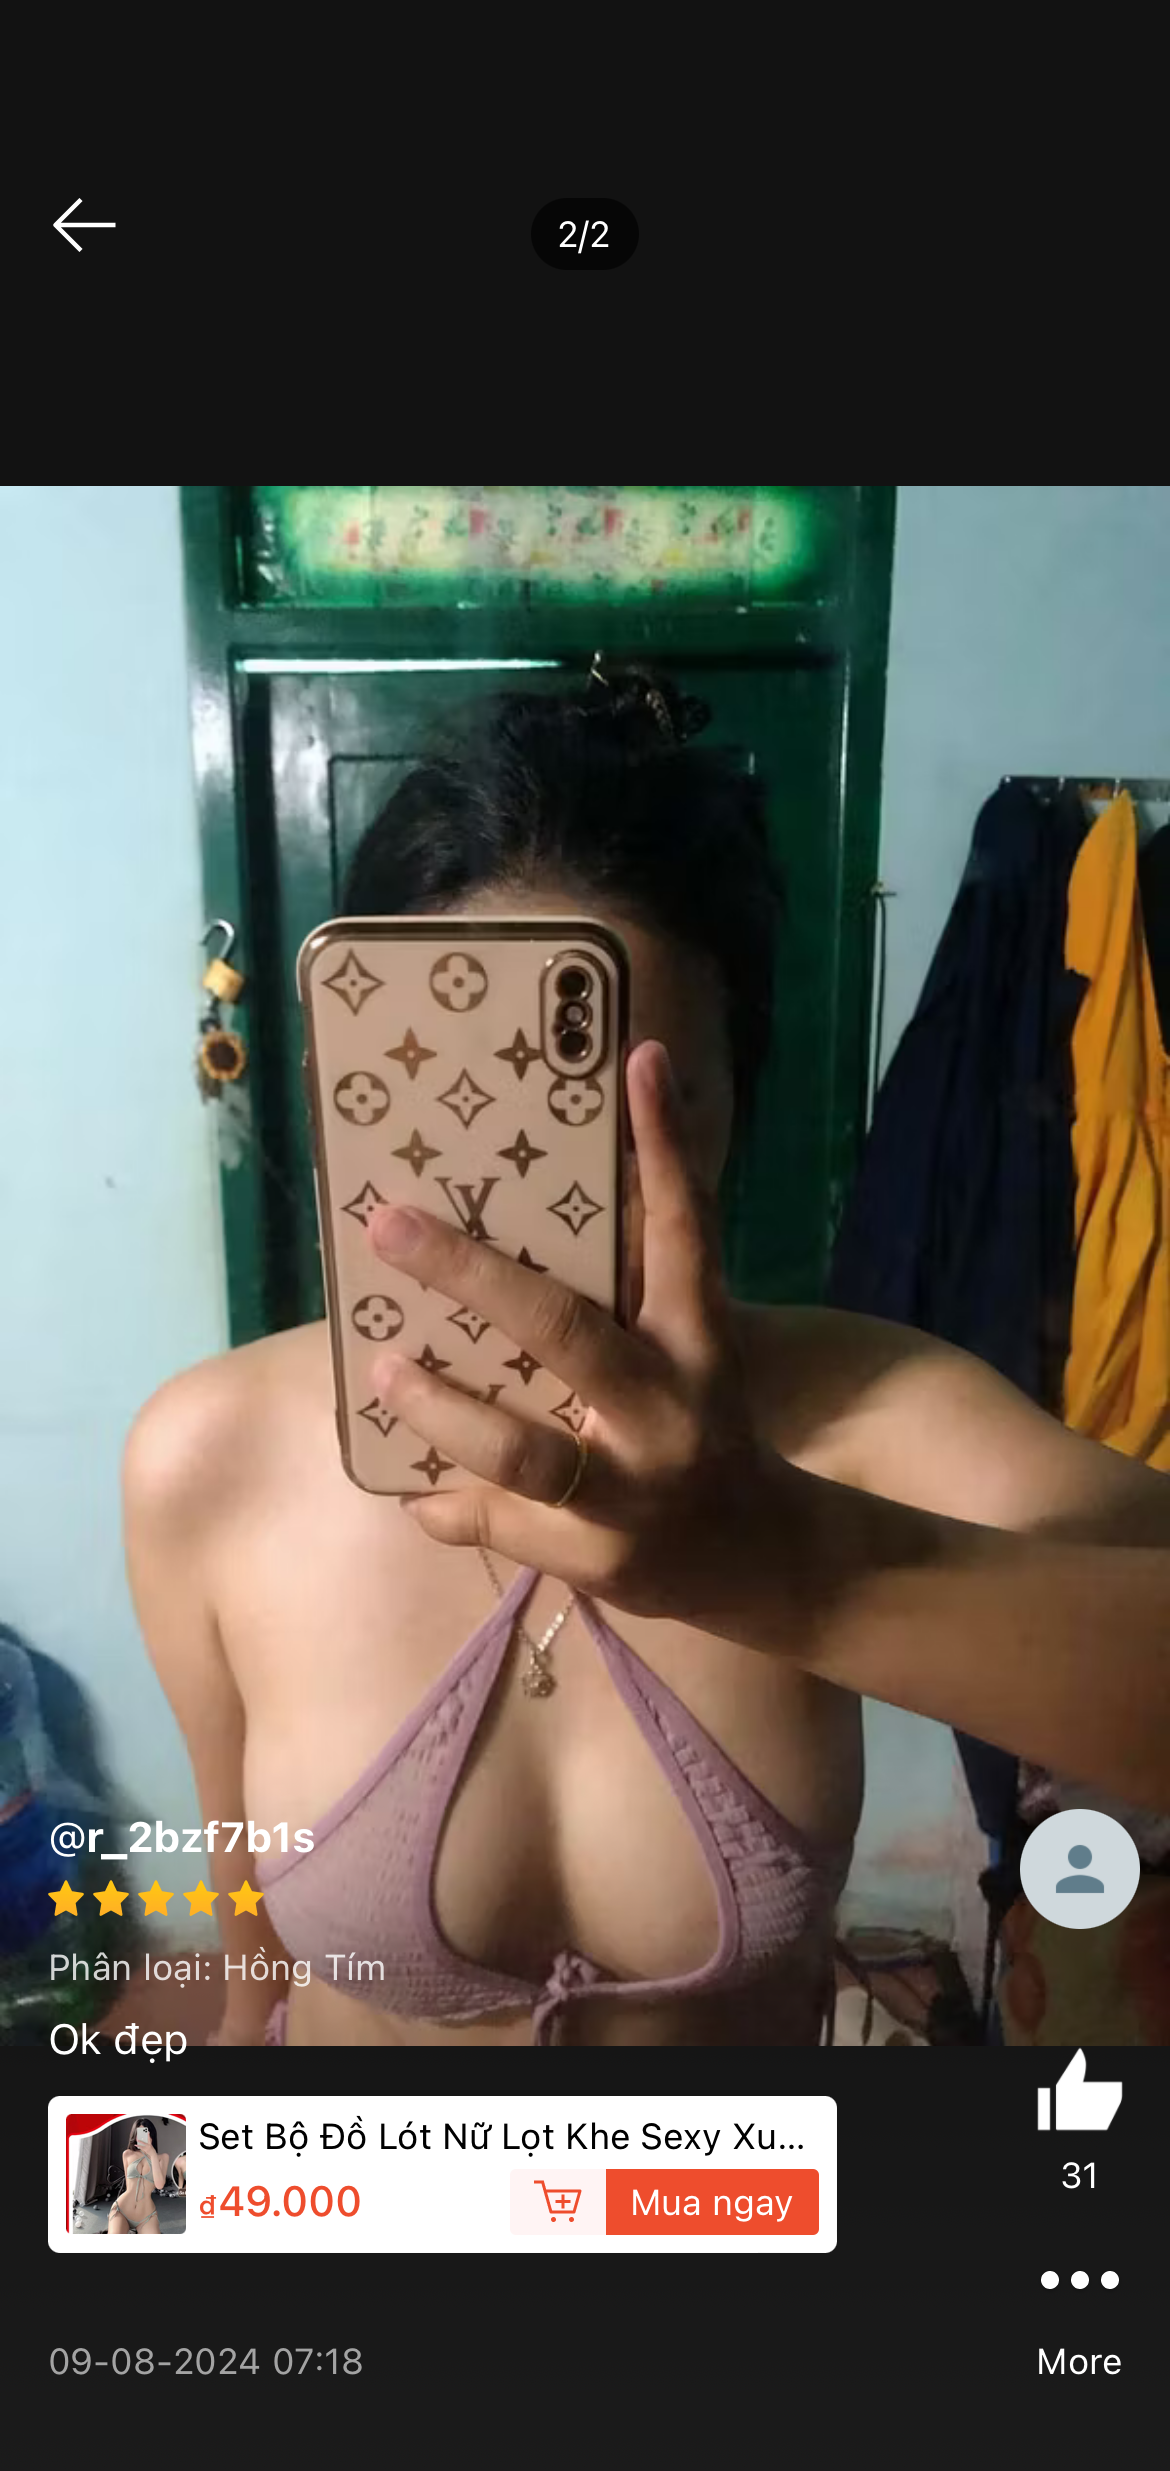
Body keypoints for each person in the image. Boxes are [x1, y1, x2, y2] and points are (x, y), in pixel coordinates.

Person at [122, 671, 1170, 2051]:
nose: (554, 1203)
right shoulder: (206, 1461)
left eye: (638, 1118)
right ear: (343, 1101)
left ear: (736, 1107)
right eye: (474, 1115)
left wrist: (794, 1567)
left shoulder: (863, 1418)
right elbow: (249, 1964)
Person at [108, 2119, 168, 2234]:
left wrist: (152, 2153)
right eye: (139, 2133)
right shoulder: (127, 2154)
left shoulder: (162, 2157)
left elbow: (159, 2185)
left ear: (151, 2135)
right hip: (122, 2210)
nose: (142, 2137)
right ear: (135, 2135)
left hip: (147, 2215)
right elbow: (129, 2185)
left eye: (145, 2132)